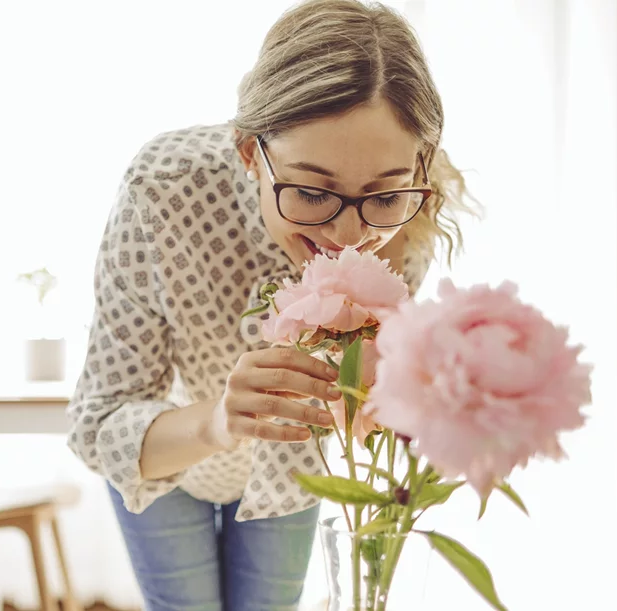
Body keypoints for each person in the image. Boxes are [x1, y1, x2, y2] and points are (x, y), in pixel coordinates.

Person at [66, 1, 474, 608]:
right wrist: (219, 421)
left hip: (289, 463)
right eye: (311, 191)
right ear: (249, 152)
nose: (348, 236)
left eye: (383, 196)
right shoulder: (163, 191)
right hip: (165, 460)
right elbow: (98, 424)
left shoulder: (406, 227)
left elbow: (371, 408)